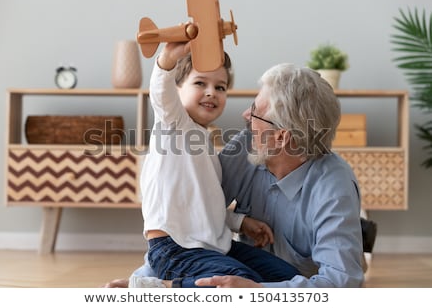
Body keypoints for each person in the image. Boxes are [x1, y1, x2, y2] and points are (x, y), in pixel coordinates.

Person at [126, 42, 299, 288]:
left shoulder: (208, 147)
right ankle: (161, 289)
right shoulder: (173, 123)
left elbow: (205, 205)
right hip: (175, 248)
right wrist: (167, 59)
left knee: (289, 278)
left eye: (220, 87)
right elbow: (160, 91)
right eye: (200, 83)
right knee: (242, 285)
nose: (211, 92)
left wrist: (241, 223)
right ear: (176, 90)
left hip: (215, 247)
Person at [195, 63, 364, 287]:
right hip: (249, 268)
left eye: (255, 111)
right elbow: (193, 211)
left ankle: (351, 237)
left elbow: (342, 283)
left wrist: (259, 292)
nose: (245, 115)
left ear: (282, 138)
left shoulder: (334, 187)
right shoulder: (245, 147)